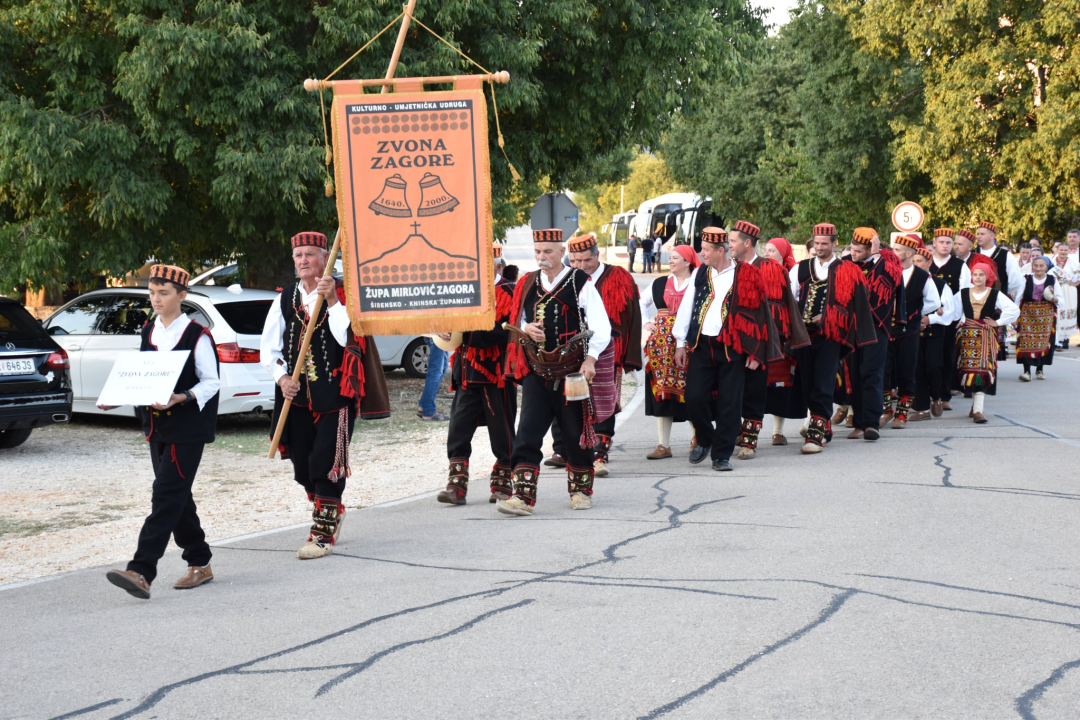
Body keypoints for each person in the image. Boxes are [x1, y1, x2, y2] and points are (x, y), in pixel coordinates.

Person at [261, 231, 389, 559]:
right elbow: (269, 347)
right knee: (303, 467)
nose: (303, 261)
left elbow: (345, 335)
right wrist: (282, 376)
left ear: (324, 258)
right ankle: (332, 511)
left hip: (334, 394)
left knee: (326, 465)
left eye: (309, 255)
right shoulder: (286, 297)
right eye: (298, 256)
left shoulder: (343, 294)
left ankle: (321, 533)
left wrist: (332, 300)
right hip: (296, 395)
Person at [102, 265, 220, 599]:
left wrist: (182, 396)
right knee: (178, 498)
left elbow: (211, 382)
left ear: (182, 296)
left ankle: (141, 571)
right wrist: (119, 397)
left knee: (165, 495)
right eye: (153, 293)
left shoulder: (197, 335)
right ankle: (200, 562)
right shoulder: (149, 331)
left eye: (164, 293)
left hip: (187, 429)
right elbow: (145, 376)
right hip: (156, 427)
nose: (156, 299)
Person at [497, 228, 611, 516]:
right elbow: (517, 320)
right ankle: (522, 497)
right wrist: (526, 329)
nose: (541, 257)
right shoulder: (527, 282)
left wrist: (591, 360)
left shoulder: (579, 282)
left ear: (562, 252)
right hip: (537, 371)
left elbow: (602, 326)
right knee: (527, 433)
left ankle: (581, 491)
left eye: (547, 251)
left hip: (572, 373)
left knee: (575, 434)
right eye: (538, 251)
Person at [672, 227, 774, 471]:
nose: (702, 254)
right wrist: (679, 343)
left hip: (732, 347)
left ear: (721, 250)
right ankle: (706, 438)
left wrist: (757, 351)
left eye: (706, 250)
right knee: (694, 398)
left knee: (730, 403)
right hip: (701, 345)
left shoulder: (747, 273)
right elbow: (687, 309)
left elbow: (760, 315)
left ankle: (721, 455)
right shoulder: (699, 273)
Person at [437, 243, 518, 505]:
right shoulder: (461, 290)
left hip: (497, 373)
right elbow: (444, 319)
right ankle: (456, 485)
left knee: (502, 431)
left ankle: (503, 483)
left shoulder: (509, 291)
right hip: (467, 371)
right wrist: (444, 330)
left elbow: (503, 330)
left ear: (497, 266)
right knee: (458, 429)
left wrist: (465, 330)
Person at [565, 232, 642, 476]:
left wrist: (630, 356)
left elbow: (633, 316)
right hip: (573, 350)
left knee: (604, 400)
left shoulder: (619, 276)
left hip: (611, 349)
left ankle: (599, 454)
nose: (581, 266)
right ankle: (568, 449)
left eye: (586, 260)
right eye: (575, 262)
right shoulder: (566, 279)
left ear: (597, 255)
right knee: (572, 399)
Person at [728, 222, 807, 458]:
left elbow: (787, 306)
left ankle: (749, 441)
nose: (729, 245)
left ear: (747, 243)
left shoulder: (772, 269)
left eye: (732, 241)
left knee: (755, 389)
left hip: (760, 340)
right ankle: (734, 431)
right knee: (730, 390)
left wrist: (790, 339)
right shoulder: (726, 268)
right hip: (729, 340)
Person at [641, 244, 700, 459]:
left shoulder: (699, 283)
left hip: (691, 345)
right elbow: (641, 303)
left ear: (687, 261)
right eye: (671, 257)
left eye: (676, 257)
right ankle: (663, 445)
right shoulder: (659, 284)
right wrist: (648, 322)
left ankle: (698, 437)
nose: (671, 261)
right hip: (661, 350)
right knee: (662, 391)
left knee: (692, 391)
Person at [848, 227, 901, 440]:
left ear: (871, 249)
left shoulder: (888, 263)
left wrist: (878, 254)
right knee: (854, 375)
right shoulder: (846, 264)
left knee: (872, 374)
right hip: (851, 328)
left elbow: (892, 281)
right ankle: (858, 423)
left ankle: (872, 424)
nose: (853, 254)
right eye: (852, 249)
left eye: (858, 251)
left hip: (876, 327)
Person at [883, 234, 941, 428]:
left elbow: (934, 302)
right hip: (885, 329)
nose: (893, 253)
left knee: (907, 370)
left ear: (908, 253)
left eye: (897, 250)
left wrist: (914, 314)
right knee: (883, 369)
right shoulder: (885, 271)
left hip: (909, 331)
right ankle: (885, 409)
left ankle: (901, 414)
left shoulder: (923, 276)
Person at [957, 256, 1019, 423]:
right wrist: (959, 321)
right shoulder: (963, 293)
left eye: (981, 275)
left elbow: (1013, 310)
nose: (977, 278)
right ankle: (974, 406)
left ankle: (978, 410)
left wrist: (997, 322)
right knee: (967, 371)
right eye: (975, 274)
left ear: (988, 277)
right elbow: (953, 311)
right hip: (967, 336)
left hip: (985, 336)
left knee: (983, 371)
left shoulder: (994, 294)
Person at [761, 237, 809, 444]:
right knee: (757, 384)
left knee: (780, 384)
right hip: (762, 335)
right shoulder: (758, 270)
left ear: (782, 254)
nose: (767, 254)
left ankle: (777, 432)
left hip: (783, 336)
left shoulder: (792, 273)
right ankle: (746, 428)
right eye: (766, 249)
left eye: (772, 251)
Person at [912, 246, 957, 419]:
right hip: (913, 332)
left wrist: (929, 319)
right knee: (917, 368)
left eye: (919, 261)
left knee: (933, 366)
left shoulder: (940, 284)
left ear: (929, 262)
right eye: (914, 261)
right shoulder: (907, 281)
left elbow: (948, 310)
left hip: (934, 333)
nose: (916, 264)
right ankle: (922, 407)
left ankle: (936, 397)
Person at [929, 228, 971, 412]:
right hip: (927, 317)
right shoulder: (926, 263)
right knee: (928, 357)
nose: (945, 246)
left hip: (951, 319)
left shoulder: (960, 265)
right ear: (935, 243)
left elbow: (965, 293)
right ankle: (927, 394)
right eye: (941, 242)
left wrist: (961, 317)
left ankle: (944, 396)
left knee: (947, 356)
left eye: (948, 242)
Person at [975, 222, 1023, 361]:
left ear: (992, 236)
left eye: (982, 234)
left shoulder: (1005, 255)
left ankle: (991, 369)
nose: (978, 237)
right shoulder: (973, 254)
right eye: (978, 234)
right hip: (974, 300)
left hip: (996, 302)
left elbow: (1015, 280)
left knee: (994, 337)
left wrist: (1001, 293)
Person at [1015, 255, 1057, 381]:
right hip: (1027, 314)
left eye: (1042, 265)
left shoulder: (1052, 279)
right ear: (1032, 266)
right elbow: (1018, 299)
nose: (1038, 268)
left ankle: (1040, 370)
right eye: (1036, 265)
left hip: (1045, 315)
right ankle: (1026, 372)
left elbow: (1060, 299)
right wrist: (1014, 316)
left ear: (1046, 267)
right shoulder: (1026, 279)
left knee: (1043, 342)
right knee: (1026, 341)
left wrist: (1053, 298)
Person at [1049, 241, 1080, 348]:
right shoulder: (1051, 262)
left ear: (1068, 251)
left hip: (1068, 290)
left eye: (1065, 250)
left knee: (1066, 312)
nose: (1063, 252)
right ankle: (1056, 339)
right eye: (1061, 249)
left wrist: (1075, 283)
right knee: (1056, 312)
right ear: (1057, 250)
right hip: (1055, 289)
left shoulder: (1073, 262)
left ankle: (1064, 340)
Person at [417, 338, 450, 421]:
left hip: (437, 334)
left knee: (442, 367)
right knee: (436, 370)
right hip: (438, 334)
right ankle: (429, 411)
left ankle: (424, 405)